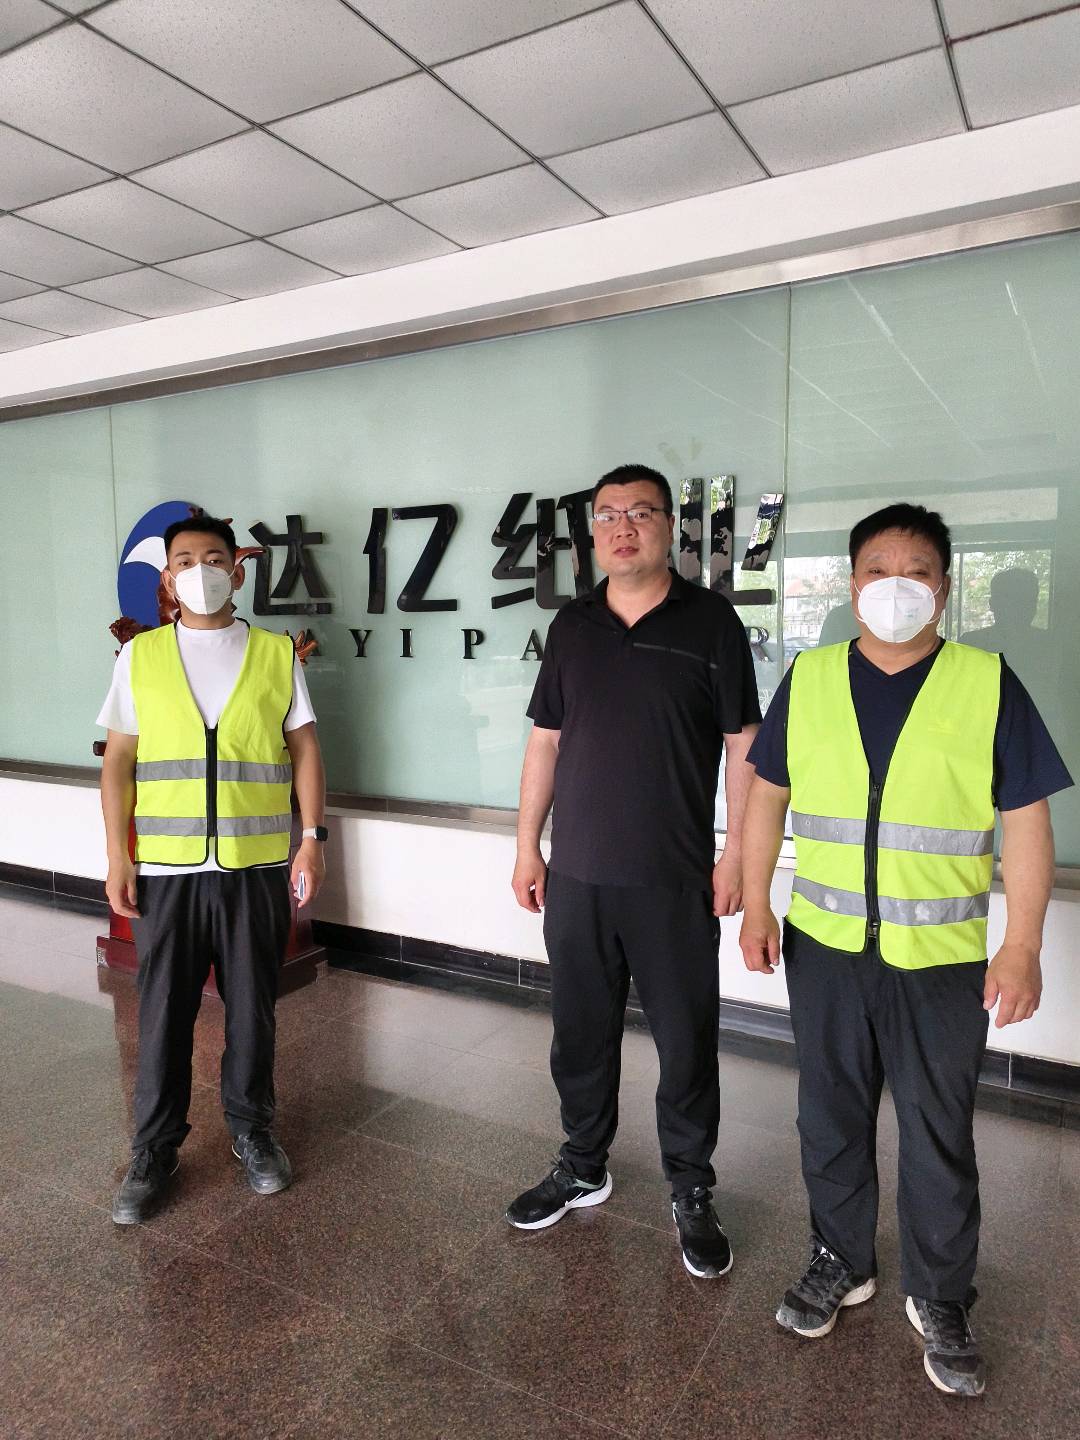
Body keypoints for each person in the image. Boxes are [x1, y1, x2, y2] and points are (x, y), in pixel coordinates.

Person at [738, 504, 1071, 1396]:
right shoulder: (809, 678)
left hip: (941, 957)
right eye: (877, 570)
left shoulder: (986, 682)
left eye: (916, 572)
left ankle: (941, 1294)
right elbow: (766, 796)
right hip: (825, 945)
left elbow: (1026, 819)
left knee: (937, 1130)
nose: (896, 587)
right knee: (829, 1115)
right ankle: (840, 1260)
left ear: (944, 589)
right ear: (851, 586)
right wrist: (757, 903)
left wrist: (1023, 944)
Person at [507, 463, 761, 1280]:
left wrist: (736, 855)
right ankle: (583, 1164)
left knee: (686, 1042)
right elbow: (545, 740)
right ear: (593, 533)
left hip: (674, 877)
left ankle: (691, 1185)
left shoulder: (711, 622)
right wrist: (527, 845)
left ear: (669, 528)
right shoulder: (572, 625)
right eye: (609, 515)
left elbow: (744, 748)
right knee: (579, 1034)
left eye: (641, 512)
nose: (624, 527)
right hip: (578, 876)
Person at [98, 515, 328, 1225]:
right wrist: (117, 855)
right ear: (169, 576)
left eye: (215, 558)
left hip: (253, 864)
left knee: (253, 1008)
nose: (201, 570)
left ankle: (253, 1131)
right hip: (167, 868)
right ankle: (154, 1149)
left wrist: (311, 837)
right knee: (163, 1012)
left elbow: (305, 748)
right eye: (186, 560)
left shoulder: (274, 653)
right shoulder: (140, 656)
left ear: (238, 569)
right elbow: (119, 760)